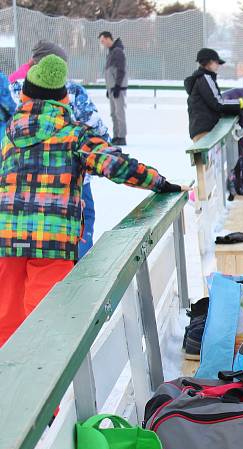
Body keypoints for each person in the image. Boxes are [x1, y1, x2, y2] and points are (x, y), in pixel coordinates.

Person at [0, 55, 185, 347]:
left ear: (24, 94)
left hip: (6, 238)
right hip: (53, 242)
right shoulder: (73, 134)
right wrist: (159, 182)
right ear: (63, 98)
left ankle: (9, 385)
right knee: (42, 325)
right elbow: (116, 164)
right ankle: (44, 386)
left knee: (5, 321)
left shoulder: (9, 132)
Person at [9, 40, 111, 260]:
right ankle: (76, 273)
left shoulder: (12, 88)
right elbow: (95, 126)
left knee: (21, 240)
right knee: (81, 224)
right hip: (67, 181)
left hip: (14, 182)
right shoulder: (71, 90)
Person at [184, 48, 243, 141]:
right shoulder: (205, 78)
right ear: (209, 62)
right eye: (216, 62)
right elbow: (218, 103)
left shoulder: (201, 79)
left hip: (199, 130)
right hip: (205, 131)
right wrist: (240, 103)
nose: (218, 66)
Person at [98, 31, 127, 145]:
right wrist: (109, 88)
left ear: (108, 38)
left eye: (103, 41)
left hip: (118, 88)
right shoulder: (111, 52)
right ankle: (116, 136)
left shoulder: (117, 52)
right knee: (113, 113)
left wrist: (117, 86)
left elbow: (121, 70)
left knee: (119, 113)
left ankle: (121, 136)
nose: (102, 44)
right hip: (112, 88)